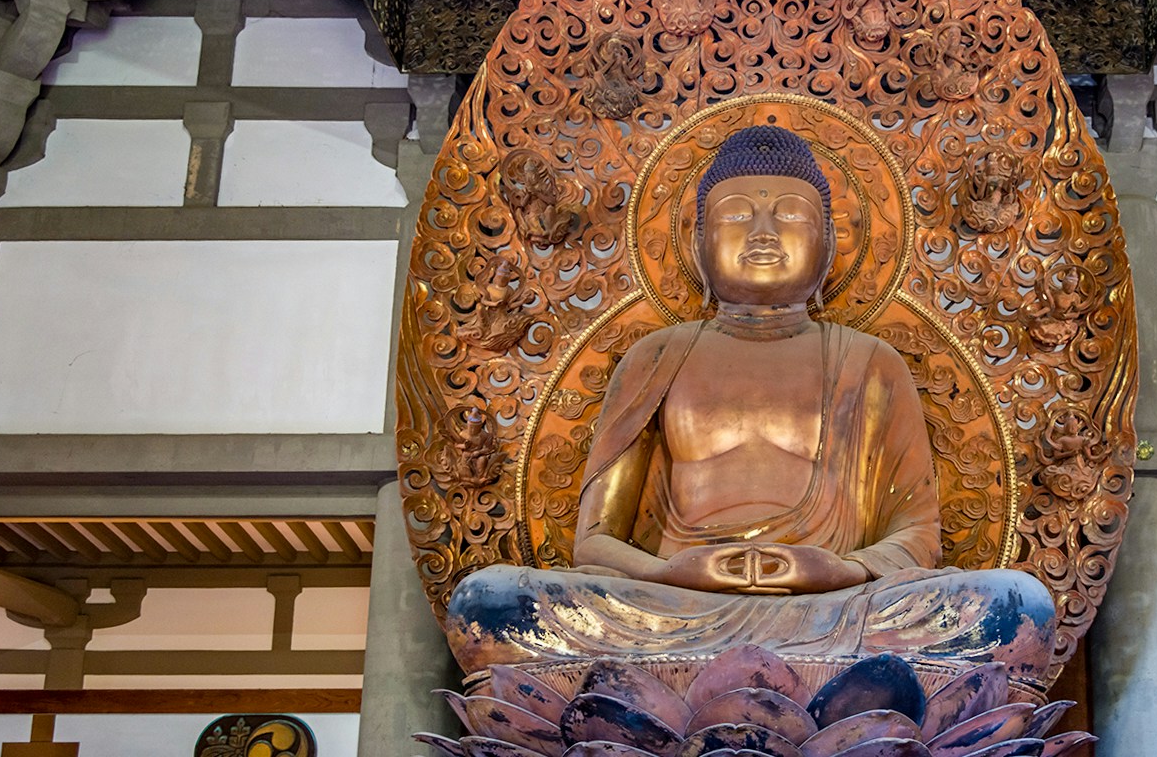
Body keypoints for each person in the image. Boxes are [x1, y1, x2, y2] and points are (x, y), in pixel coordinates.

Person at [446, 127, 1055, 677]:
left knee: (1013, 606)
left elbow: (918, 534)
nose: (763, 233)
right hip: (674, 606)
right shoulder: (656, 356)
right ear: (699, 244)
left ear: (827, 246)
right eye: (738, 216)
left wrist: (842, 570)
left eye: (789, 215)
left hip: (835, 609)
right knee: (489, 604)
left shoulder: (871, 362)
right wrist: (671, 572)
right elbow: (596, 540)